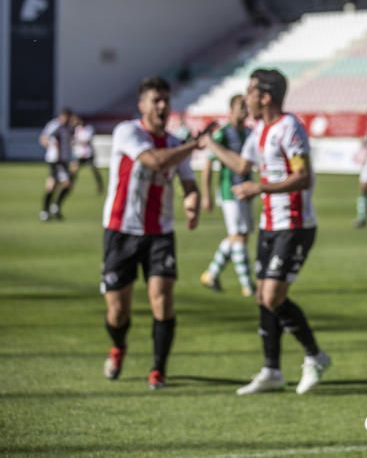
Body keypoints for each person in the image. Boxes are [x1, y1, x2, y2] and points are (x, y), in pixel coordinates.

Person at [203, 68, 331, 395]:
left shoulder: (290, 128)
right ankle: (271, 370)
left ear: (265, 96)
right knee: (263, 298)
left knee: (273, 295)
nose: (246, 98)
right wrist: (209, 145)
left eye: (250, 92)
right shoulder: (259, 129)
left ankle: (315, 356)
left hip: (295, 226)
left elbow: (304, 177)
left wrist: (261, 187)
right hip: (269, 226)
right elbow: (242, 166)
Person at [100, 77, 209, 390]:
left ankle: (158, 370)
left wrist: (192, 203)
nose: (162, 106)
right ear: (142, 105)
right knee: (118, 310)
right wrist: (194, 145)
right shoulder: (128, 131)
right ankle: (118, 347)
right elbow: (154, 160)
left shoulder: (175, 143)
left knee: (162, 301)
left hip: (159, 233)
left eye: (165, 100)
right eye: (155, 100)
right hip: (121, 230)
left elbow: (188, 184)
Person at [199, 94, 255, 297]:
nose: (245, 110)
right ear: (230, 111)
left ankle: (211, 274)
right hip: (229, 191)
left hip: (247, 192)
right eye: (241, 106)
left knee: (240, 236)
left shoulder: (249, 132)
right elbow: (208, 165)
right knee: (238, 236)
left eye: (246, 106)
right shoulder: (223, 134)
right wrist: (206, 194)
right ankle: (248, 284)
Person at [39, 107, 75, 221]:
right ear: (61, 116)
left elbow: (69, 143)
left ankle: (52, 209)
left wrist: (72, 159)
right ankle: (47, 210)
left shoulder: (69, 127)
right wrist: (49, 145)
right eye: (66, 117)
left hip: (63, 160)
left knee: (63, 184)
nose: (67, 119)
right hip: (55, 160)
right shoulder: (55, 125)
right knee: (56, 183)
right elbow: (43, 138)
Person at [70, 114, 103, 194]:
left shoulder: (89, 128)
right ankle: (70, 186)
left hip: (88, 154)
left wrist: (76, 141)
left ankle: (100, 187)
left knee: (94, 171)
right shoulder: (76, 129)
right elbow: (72, 140)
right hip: (79, 154)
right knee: (74, 171)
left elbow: (87, 140)